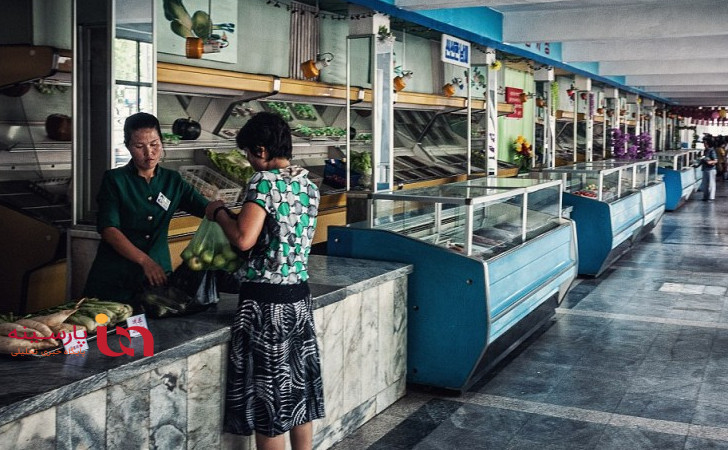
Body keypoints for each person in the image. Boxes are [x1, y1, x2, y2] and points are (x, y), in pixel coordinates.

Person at [208, 112, 324, 450]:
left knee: (269, 402)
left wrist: (218, 214)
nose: (248, 161)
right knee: (298, 395)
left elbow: (244, 239)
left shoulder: (264, 183)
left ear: (261, 149)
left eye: (248, 153)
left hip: (266, 304)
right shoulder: (308, 183)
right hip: (299, 299)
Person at [84, 112, 217, 304]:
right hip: (115, 278)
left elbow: (207, 209)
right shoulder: (115, 180)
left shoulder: (173, 181)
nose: (149, 153)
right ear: (128, 146)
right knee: (112, 332)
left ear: (162, 142)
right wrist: (145, 261)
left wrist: (235, 218)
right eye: (139, 146)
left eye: (154, 144)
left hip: (157, 279)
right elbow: (109, 230)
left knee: (154, 332)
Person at [699, 136, 718, 201]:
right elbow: (703, 160)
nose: (704, 144)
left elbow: (715, 160)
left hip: (711, 169)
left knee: (711, 184)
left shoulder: (712, 151)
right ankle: (705, 196)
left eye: (705, 143)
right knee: (705, 184)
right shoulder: (705, 151)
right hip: (705, 169)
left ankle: (711, 197)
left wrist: (710, 162)